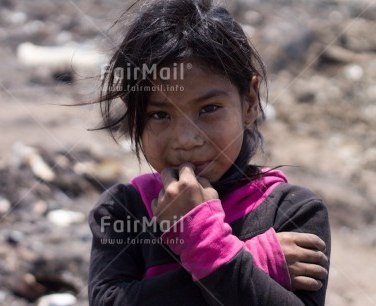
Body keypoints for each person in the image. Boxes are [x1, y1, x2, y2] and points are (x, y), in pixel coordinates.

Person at [88, 0, 331, 305]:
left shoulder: (294, 210)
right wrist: (245, 258)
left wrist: (204, 246)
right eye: (159, 115)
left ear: (250, 103)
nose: (187, 140)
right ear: (134, 114)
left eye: (209, 109)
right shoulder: (123, 210)